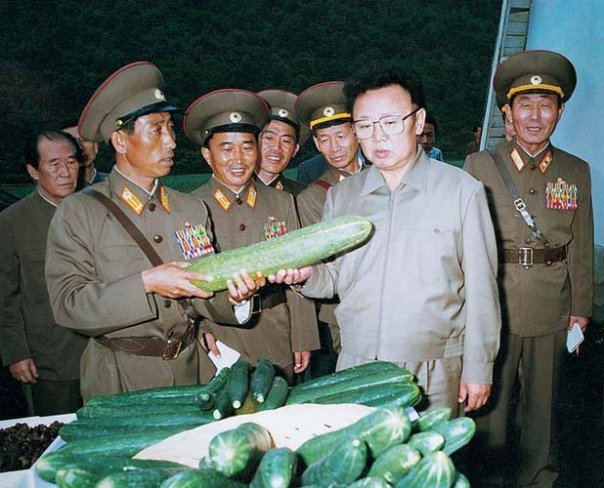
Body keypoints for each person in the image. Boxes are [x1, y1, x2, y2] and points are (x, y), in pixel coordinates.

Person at [273, 64, 501, 413]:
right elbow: (333, 277)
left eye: (391, 122)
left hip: (434, 368)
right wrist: (306, 276)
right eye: (365, 125)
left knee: (431, 449)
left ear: (418, 121)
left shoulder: (462, 191)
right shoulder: (342, 196)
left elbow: (482, 288)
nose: (378, 137)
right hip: (357, 364)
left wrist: (479, 367)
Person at [45, 62, 262, 401]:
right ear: (121, 140)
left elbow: (202, 291)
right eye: (157, 130)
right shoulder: (80, 211)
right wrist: (146, 283)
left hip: (192, 372)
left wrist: (235, 298)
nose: (171, 141)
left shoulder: (191, 209)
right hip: (121, 378)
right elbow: (68, 305)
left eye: (170, 128)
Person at [464, 50, 593, 487]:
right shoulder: (481, 166)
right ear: (508, 113)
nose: (535, 117)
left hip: (551, 306)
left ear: (560, 112)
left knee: (544, 410)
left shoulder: (576, 170)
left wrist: (580, 309)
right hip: (493, 303)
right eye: (525, 106)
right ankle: (487, 478)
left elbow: (580, 245)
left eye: (545, 106)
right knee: (489, 407)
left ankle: (540, 479)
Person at [184, 89, 319, 382]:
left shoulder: (282, 202)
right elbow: (187, 281)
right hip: (220, 341)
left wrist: (303, 335)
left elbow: (298, 269)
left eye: (247, 147)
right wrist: (200, 327)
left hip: (277, 334)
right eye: (226, 149)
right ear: (207, 155)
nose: (238, 159)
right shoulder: (190, 207)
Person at [0, 130, 87, 415]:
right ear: (33, 171)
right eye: (54, 164)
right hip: (50, 359)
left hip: (103, 353)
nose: (65, 172)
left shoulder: (95, 209)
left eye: (71, 162)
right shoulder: (12, 222)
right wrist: (17, 353)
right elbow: (5, 296)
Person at [295, 81, 366, 376]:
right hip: (344, 310)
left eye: (340, 136)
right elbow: (321, 264)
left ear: (357, 131)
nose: (334, 148)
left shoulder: (386, 174)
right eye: (324, 140)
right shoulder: (313, 197)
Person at [255, 89, 307, 195]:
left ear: (295, 150)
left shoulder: (303, 197)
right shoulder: (232, 190)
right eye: (269, 138)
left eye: (286, 141)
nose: (276, 148)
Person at [61, 119, 108, 186]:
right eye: (72, 142)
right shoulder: (53, 189)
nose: (80, 147)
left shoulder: (115, 185)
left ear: (95, 146)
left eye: (84, 140)